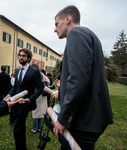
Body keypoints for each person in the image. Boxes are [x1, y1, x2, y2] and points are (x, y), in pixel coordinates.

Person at [51, 5, 113, 149]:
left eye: (56, 24)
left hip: (83, 120)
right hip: (90, 118)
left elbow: (77, 81)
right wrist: (61, 93)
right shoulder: (89, 35)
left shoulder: (76, 33)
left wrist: (63, 118)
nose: (55, 29)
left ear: (68, 19)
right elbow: (87, 79)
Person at [5, 48, 43, 150]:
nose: (21, 57)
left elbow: (40, 88)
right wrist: (9, 95)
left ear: (29, 58)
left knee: (17, 127)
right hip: (16, 103)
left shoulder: (34, 71)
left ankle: (20, 147)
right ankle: (22, 146)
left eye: (23, 56)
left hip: (26, 103)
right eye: (20, 55)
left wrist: (30, 99)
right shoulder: (18, 71)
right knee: (20, 125)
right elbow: (15, 87)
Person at [31, 65, 49, 133]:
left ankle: (35, 129)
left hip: (36, 94)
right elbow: (48, 82)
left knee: (35, 111)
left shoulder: (33, 74)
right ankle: (39, 128)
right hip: (43, 95)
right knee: (41, 111)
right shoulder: (42, 74)